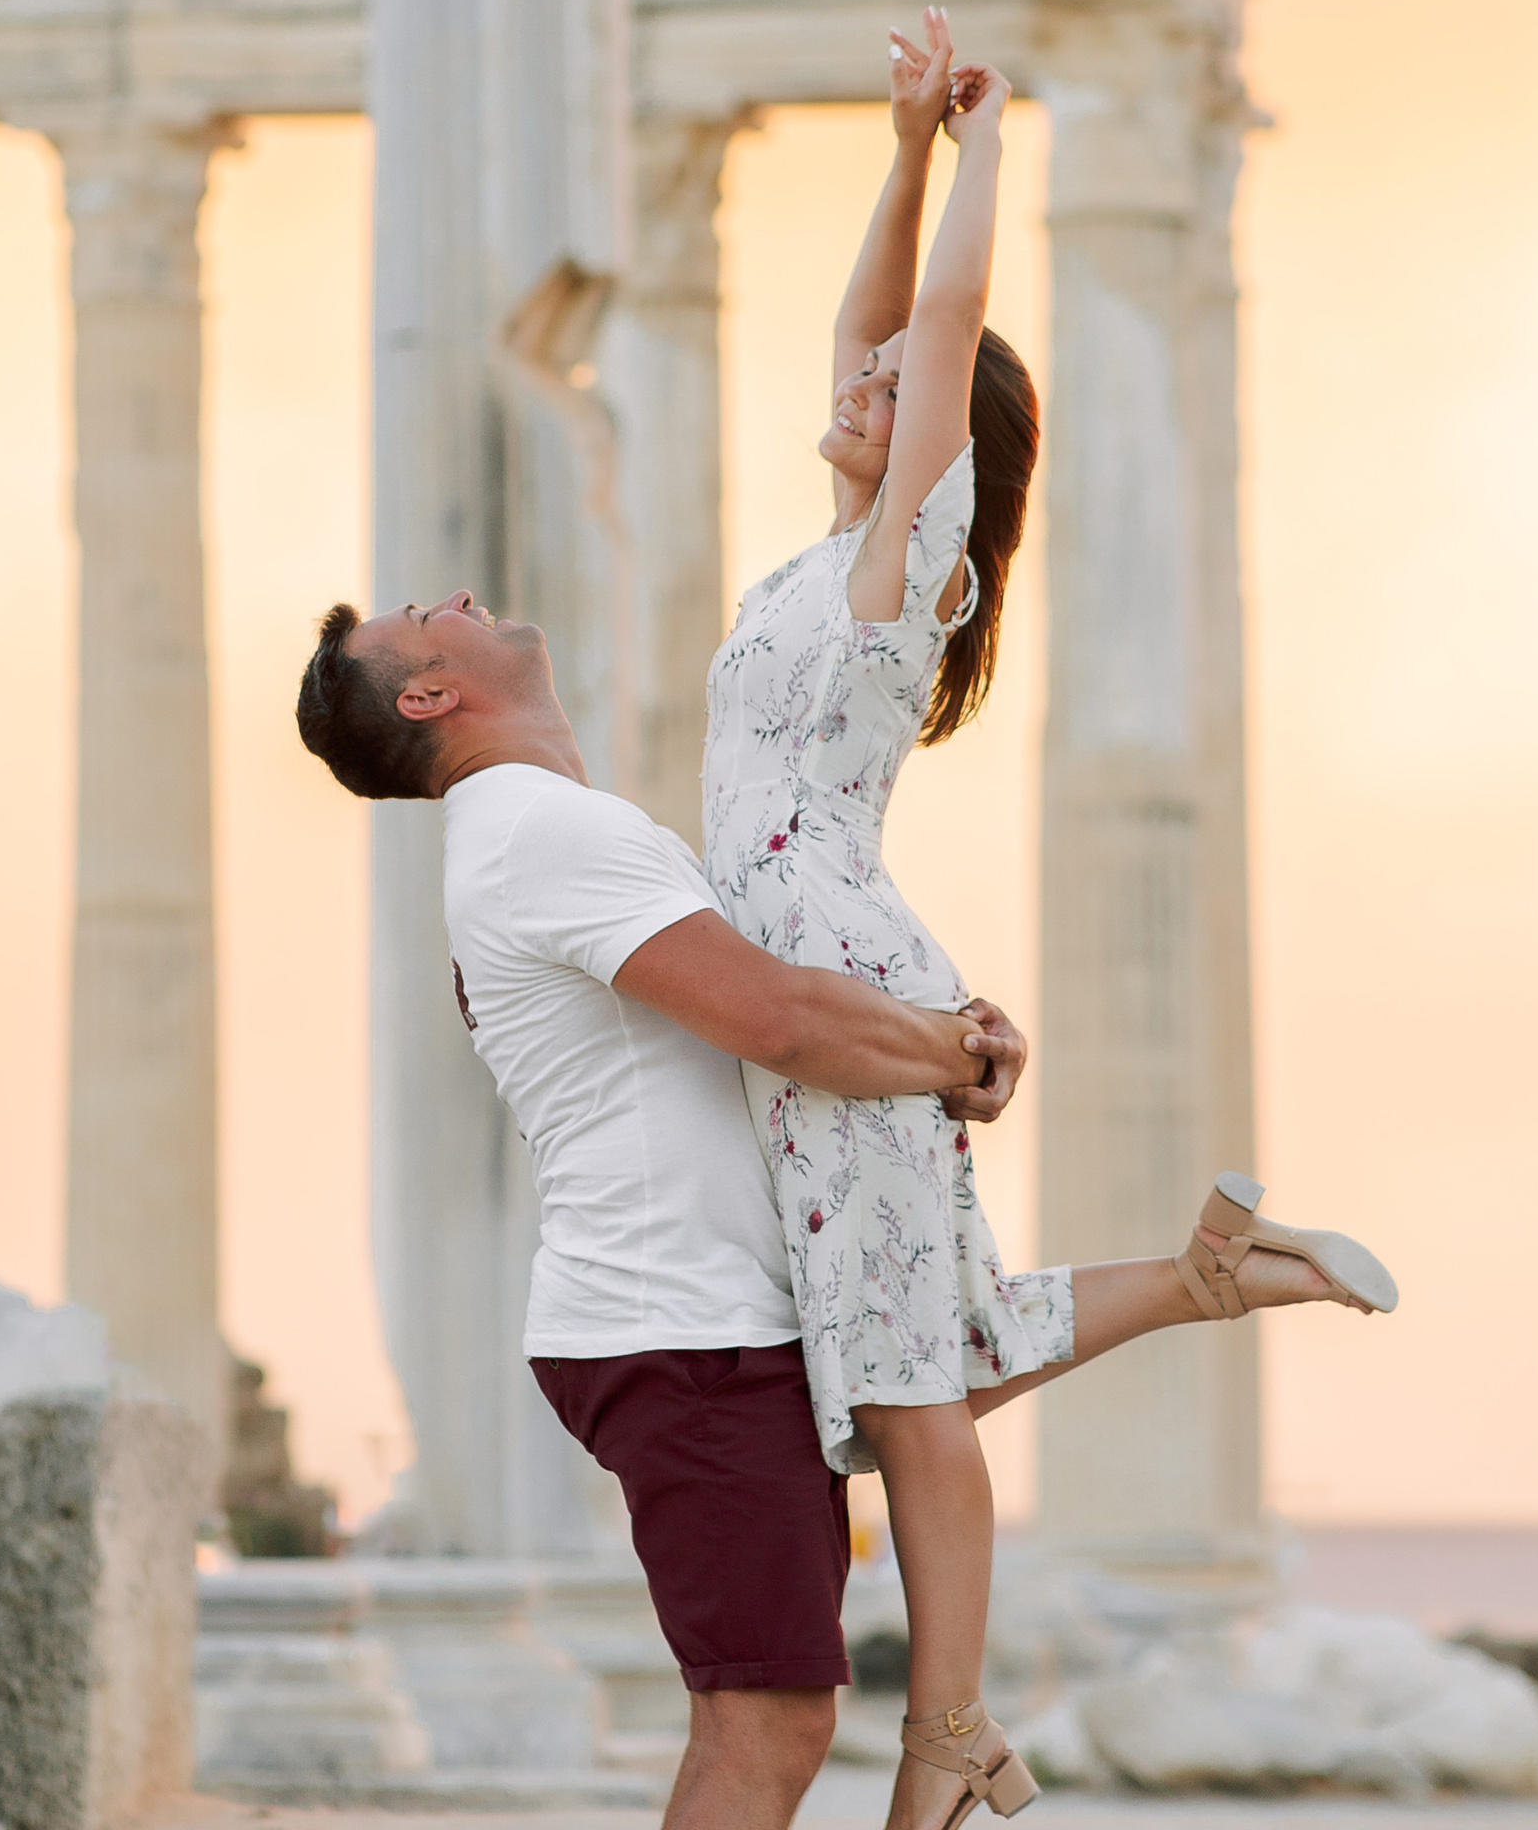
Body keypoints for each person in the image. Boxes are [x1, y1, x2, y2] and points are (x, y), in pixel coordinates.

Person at [700, 9, 1397, 1829]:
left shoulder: (902, 560)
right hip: (828, 955)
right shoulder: (824, 551)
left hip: (834, 974)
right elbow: (873, 329)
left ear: (946, 456)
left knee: (905, 1383)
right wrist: (901, 145)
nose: (857, 387)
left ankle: (945, 1738)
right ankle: (1207, 1276)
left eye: (898, 397)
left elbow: (925, 340)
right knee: (899, 1352)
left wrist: (996, 144)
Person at [298, 585, 1009, 1830]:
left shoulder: (540, 827)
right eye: (427, 611)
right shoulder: (535, 829)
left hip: (684, 1324)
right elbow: (777, 1017)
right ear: (427, 694)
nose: (462, 593)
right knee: (766, 1721)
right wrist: (953, 1049)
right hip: (679, 1331)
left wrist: (935, 1050)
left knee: (764, 1713)